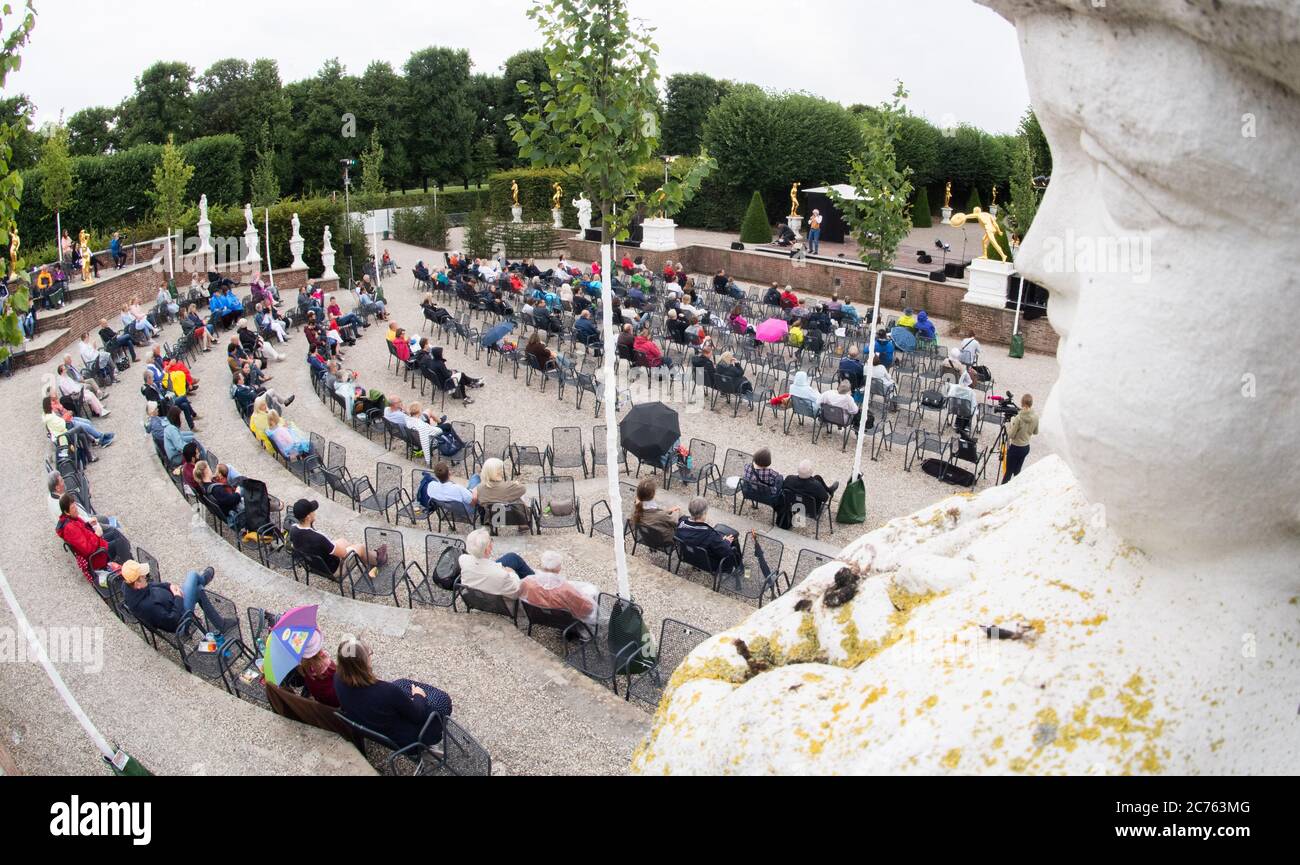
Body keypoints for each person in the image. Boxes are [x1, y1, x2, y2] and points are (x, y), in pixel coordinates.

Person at [333, 637, 452, 750]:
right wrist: (418, 695)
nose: (371, 657)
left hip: (375, 726)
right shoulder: (386, 691)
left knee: (401, 683)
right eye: (369, 655)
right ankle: (433, 734)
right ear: (362, 665)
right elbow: (418, 716)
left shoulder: (337, 678)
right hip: (409, 740)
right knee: (442, 699)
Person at [120, 559, 238, 639]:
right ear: (137, 584)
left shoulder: (132, 587)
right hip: (180, 621)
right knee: (193, 577)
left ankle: (221, 624)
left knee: (198, 589)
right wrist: (178, 597)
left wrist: (169, 586)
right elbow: (172, 620)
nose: (146, 576)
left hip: (174, 602)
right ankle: (203, 580)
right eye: (143, 577)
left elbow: (153, 585)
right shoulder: (147, 606)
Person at [288, 499, 381, 578]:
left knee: (342, 541)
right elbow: (343, 554)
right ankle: (377, 560)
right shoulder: (318, 537)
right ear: (308, 517)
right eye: (312, 511)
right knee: (360, 547)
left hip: (315, 567)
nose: (314, 512)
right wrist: (348, 548)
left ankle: (370, 556)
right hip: (333, 571)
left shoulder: (293, 529)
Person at [517, 551, 600, 628]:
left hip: (540, 618)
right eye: (560, 565)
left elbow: (522, 596)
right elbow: (587, 610)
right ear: (557, 569)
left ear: (541, 565)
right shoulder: (566, 590)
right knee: (592, 592)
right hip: (565, 622)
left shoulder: (528, 582)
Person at [457, 527, 535, 600]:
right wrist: (512, 573)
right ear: (487, 550)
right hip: (499, 595)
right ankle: (536, 582)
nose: (492, 542)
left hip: (480, 586)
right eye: (490, 540)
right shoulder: (503, 575)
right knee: (514, 560)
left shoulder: (463, 559)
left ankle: (534, 578)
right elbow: (516, 591)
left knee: (512, 558)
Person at [56, 492, 132, 566]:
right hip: (97, 556)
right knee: (119, 542)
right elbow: (87, 549)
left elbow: (83, 531)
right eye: (73, 507)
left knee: (114, 532)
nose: (76, 508)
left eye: (75, 505)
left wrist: (89, 524)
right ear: (66, 512)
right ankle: (131, 568)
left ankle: (128, 559)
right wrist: (97, 535)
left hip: (97, 544)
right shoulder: (70, 529)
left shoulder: (71, 519)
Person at [674, 497, 742, 572]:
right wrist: (727, 542)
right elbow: (726, 552)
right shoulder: (710, 535)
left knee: (718, 531)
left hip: (688, 557)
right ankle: (740, 567)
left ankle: (740, 567)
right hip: (709, 564)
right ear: (703, 514)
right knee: (733, 542)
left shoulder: (681, 523)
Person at [776, 460, 840, 529]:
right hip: (812, 510)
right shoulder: (816, 486)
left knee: (817, 477)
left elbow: (784, 490)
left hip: (793, 505)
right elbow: (825, 498)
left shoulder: (789, 479)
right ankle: (830, 490)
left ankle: (828, 489)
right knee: (817, 482)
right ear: (811, 472)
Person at [475, 457, 530, 522]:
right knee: (517, 498)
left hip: (492, 517)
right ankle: (524, 523)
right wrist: (515, 483)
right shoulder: (508, 486)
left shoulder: (479, 487)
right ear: (499, 472)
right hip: (511, 517)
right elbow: (523, 489)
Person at [1001, 394, 1039, 484]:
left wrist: (1008, 425)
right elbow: (1035, 432)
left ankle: (1001, 491)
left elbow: (1011, 435)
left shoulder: (1018, 418)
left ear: (1022, 403)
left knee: (1008, 473)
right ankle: (1015, 489)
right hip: (1025, 447)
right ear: (1031, 403)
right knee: (1017, 472)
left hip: (1015, 447)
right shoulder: (1036, 417)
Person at [630, 478, 680, 547]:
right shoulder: (661, 515)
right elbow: (675, 522)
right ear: (653, 494)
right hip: (664, 542)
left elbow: (657, 514)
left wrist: (668, 511)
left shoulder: (636, 508)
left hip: (646, 538)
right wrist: (676, 511)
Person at [298, 631, 339, 707]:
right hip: (335, 701)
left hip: (320, 699)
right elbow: (339, 676)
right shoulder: (329, 665)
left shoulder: (304, 668)